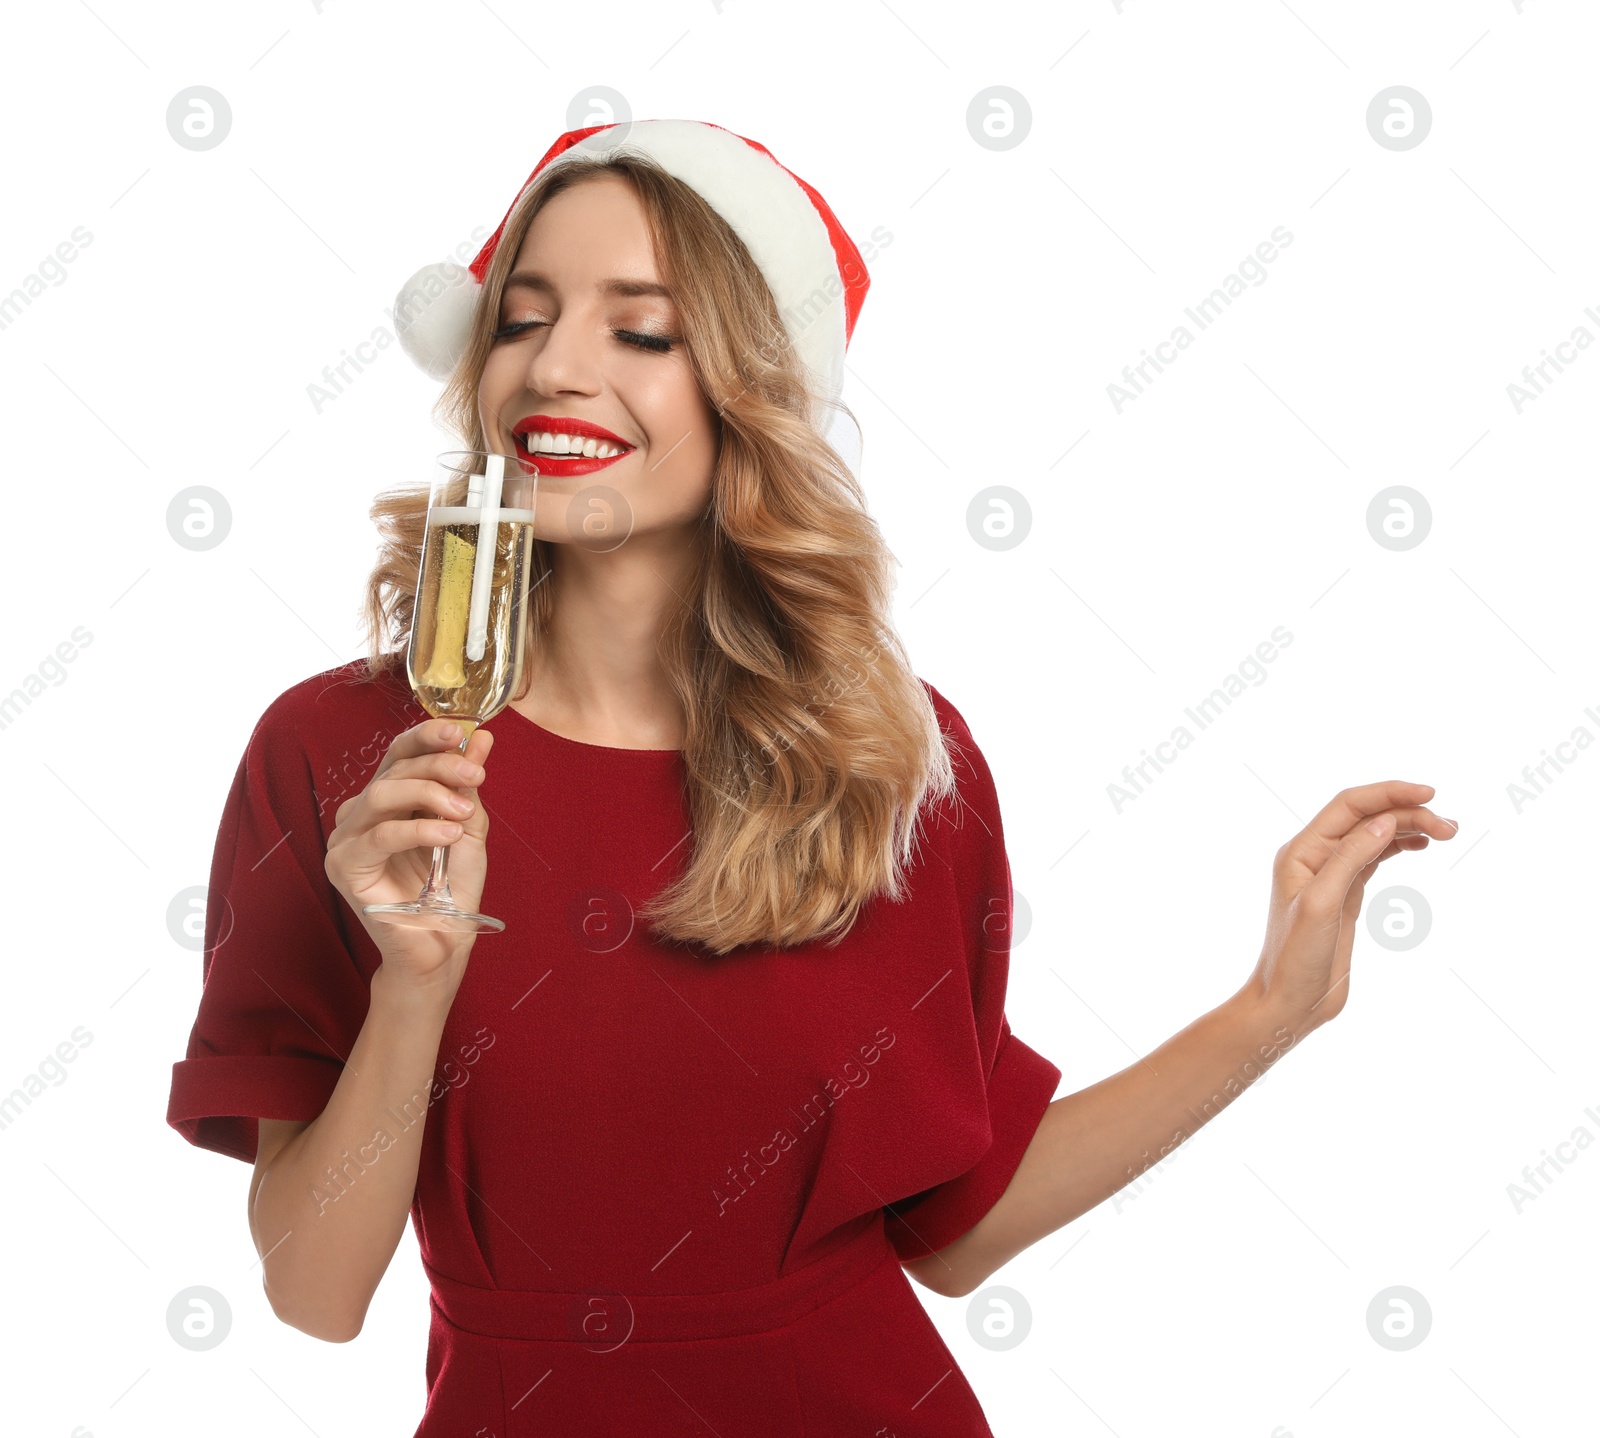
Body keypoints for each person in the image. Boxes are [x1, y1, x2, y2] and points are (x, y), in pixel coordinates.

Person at [166, 119, 1458, 1436]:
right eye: (521, 319)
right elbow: (315, 1294)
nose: (555, 367)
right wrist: (414, 984)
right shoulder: (336, 758)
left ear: (753, 390)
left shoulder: (886, 753)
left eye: (644, 332)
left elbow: (954, 1229)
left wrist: (1270, 1010)